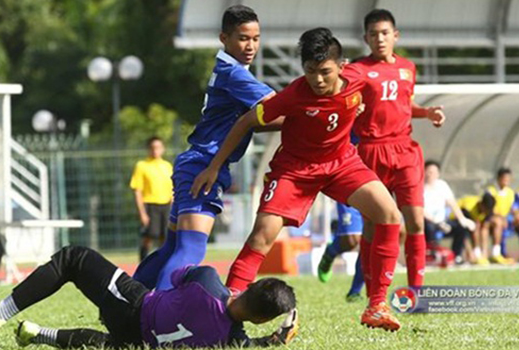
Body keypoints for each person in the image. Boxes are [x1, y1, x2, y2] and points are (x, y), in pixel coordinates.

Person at [192, 28, 406, 331]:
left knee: (388, 214)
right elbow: (246, 121)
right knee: (262, 236)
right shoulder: (293, 95)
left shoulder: (359, 79)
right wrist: (215, 166)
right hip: (295, 170)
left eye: (324, 72)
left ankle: (377, 305)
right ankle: (226, 311)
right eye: (309, 71)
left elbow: (377, 94)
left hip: (342, 162)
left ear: (342, 66)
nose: (317, 80)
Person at [132, 5, 276, 291]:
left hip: (194, 163)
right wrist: (318, 109)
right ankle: (155, 316)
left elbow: (258, 121)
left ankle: (123, 301)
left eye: (256, 38)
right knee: (190, 251)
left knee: (172, 248)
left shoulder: (229, 69)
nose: (251, 46)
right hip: (204, 167)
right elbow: (277, 110)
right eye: (243, 38)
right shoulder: (235, 74)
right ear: (224, 38)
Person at [0, 246, 298, 349]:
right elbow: (249, 343)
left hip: (135, 306)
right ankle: (37, 334)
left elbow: (175, 277)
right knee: (108, 345)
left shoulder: (209, 281)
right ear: (261, 319)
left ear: (251, 285)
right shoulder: (230, 340)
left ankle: (0, 311)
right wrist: (275, 339)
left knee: (73, 259)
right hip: (142, 341)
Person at [346, 9, 446, 291]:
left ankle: (417, 291)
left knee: (415, 221)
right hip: (370, 152)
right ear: (366, 38)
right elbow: (337, 90)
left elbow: (402, 105)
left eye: (385, 33)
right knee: (372, 226)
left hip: (405, 151)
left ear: (395, 36)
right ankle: (371, 292)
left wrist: (427, 113)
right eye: (374, 34)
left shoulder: (408, 68)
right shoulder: (358, 70)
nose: (380, 39)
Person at [130, 136, 173, 261]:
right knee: (149, 236)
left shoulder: (167, 166)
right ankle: (142, 263)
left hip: (166, 206)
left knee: (165, 237)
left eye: (158, 147)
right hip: (150, 205)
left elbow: (172, 188)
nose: (156, 150)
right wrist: (142, 213)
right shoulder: (142, 166)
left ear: (163, 149)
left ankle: (162, 264)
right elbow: (137, 190)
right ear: (148, 149)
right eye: (153, 148)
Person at [422, 160, 475, 257]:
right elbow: (420, 209)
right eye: (428, 172)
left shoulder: (442, 185)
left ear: (438, 173)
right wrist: (436, 223)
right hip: (429, 223)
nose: (431, 175)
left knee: (461, 228)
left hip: (444, 222)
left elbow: (452, 203)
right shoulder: (419, 187)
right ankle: (433, 254)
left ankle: (457, 255)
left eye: (434, 172)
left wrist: (462, 219)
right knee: (429, 226)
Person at [317, 202, 366, 303]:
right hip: (352, 190)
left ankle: (355, 292)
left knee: (371, 240)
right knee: (351, 240)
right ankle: (330, 253)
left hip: (379, 189)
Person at [482, 167, 516, 264]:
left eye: (508, 179)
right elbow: (488, 207)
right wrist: (500, 218)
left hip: (504, 219)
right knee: (496, 223)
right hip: (490, 217)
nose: (506, 181)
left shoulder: (510, 192)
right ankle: (493, 253)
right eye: (504, 179)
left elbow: (510, 209)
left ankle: (500, 253)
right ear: (499, 178)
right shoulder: (491, 191)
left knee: (501, 223)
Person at [455, 192, 497, 264]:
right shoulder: (468, 207)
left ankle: (484, 253)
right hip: (456, 219)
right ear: (482, 205)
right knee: (471, 228)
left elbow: (485, 224)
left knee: (485, 226)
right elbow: (463, 222)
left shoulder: (488, 209)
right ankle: (473, 254)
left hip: (473, 222)